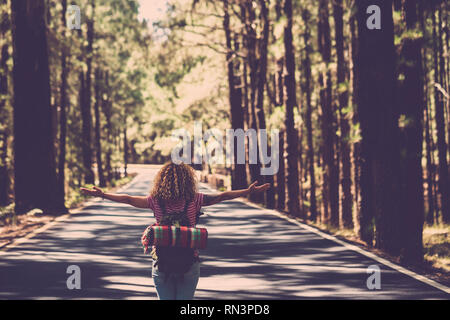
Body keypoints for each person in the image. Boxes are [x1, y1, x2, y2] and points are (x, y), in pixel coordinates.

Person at [80, 161, 270, 300]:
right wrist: (247, 191)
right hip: (190, 261)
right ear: (188, 180)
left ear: (161, 181)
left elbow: (128, 199)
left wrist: (103, 195)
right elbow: (223, 196)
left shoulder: (155, 201)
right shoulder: (196, 199)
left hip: (162, 262)